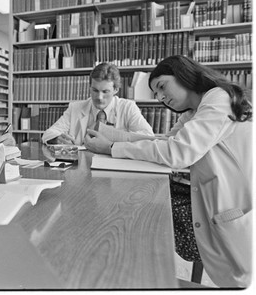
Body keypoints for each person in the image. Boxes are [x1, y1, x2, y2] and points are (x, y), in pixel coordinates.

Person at [84, 55, 252, 288]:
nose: (161, 98)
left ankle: (127, 272)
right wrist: (112, 139)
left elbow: (178, 152)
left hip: (229, 209)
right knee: (138, 201)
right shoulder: (193, 112)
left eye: (162, 87)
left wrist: (112, 147)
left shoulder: (218, 99)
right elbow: (161, 141)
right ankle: (125, 268)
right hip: (210, 198)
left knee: (139, 205)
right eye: (156, 94)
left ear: (184, 72)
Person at [42, 62, 154, 145]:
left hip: (114, 165)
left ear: (116, 90)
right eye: (95, 90)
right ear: (90, 87)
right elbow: (49, 133)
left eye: (105, 92)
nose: (99, 97)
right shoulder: (75, 107)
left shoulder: (128, 107)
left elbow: (148, 137)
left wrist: (117, 138)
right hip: (81, 166)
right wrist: (57, 139)